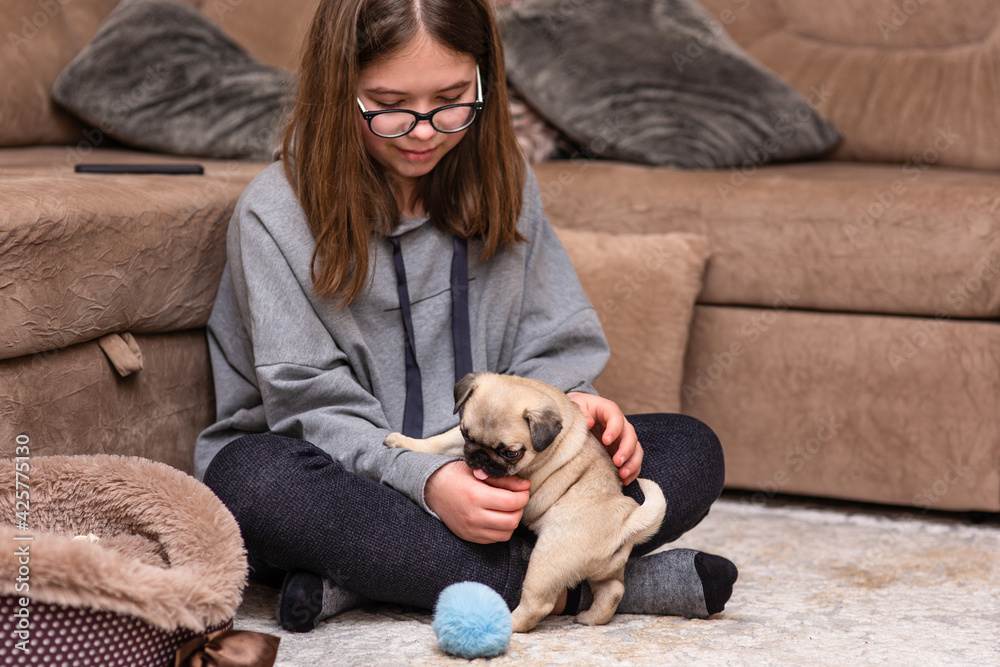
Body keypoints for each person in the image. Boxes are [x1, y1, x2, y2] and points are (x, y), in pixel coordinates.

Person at [195, 0, 737, 633]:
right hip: (349, 474)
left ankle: (376, 581)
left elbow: (548, 342)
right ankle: (574, 581)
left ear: (484, 78)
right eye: (390, 106)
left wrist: (573, 407)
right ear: (337, 90)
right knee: (250, 483)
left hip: (505, 477)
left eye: (452, 99)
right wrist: (430, 481)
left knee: (691, 449)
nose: (424, 130)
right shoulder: (274, 213)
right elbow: (313, 408)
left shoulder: (506, 179)